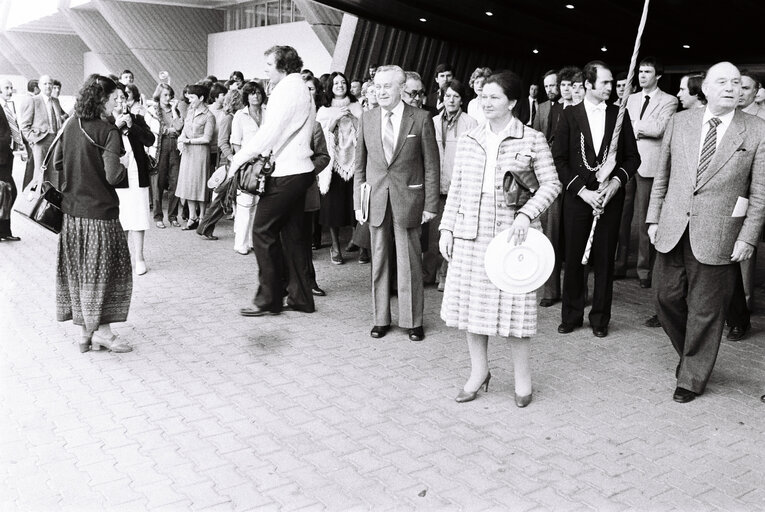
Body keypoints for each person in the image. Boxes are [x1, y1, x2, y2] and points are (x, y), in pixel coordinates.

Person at [439, 70, 561, 406]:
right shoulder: (469, 138)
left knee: (516, 310)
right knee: (471, 310)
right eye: (483, 96)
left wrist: (526, 213)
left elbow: (552, 184)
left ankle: (523, 379)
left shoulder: (532, 139)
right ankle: (479, 372)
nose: (486, 102)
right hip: (470, 234)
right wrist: (447, 229)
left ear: (512, 101)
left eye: (494, 96)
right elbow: (457, 189)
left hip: (513, 236)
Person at [646, 62, 765, 403]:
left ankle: (692, 376)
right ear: (706, 89)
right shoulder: (679, 122)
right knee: (665, 297)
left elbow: (759, 193)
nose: (731, 87)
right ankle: (691, 355)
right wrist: (653, 218)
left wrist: (748, 236)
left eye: (736, 83)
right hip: (672, 227)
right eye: (722, 82)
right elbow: (663, 177)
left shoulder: (756, 130)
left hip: (719, 233)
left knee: (706, 309)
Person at [553, 60, 641, 338]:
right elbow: (560, 159)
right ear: (588, 85)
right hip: (579, 199)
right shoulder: (569, 115)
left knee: (604, 260)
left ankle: (600, 319)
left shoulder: (619, 114)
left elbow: (632, 158)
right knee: (574, 257)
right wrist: (583, 191)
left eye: (610, 82)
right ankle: (571, 315)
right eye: (604, 82)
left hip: (609, 199)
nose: (610, 87)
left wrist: (616, 183)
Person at [353, 64, 440, 342]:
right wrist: (358, 202)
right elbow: (359, 165)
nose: (381, 92)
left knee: (410, 262)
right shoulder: (367, 118)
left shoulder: (421, 118)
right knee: (378, 262)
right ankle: (380, 319)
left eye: (387, 86)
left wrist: (430, 205)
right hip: (376, 199)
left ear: (402, 88)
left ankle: (412, 321)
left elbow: (431, 166)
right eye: (377, 86)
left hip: (409, 199)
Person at [229, 45, 317, 317]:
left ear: (283, 66)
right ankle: (301, 297)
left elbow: (269, 133)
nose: (265, 69)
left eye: (269, 64)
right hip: (300, 171)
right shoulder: (301, 88)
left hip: (286, 173)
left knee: (262, 232)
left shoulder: (286, 91)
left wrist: (237, 160)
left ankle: (269, 297)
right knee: (292, 236)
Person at [53, 75, 133, 353]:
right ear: (102, 99)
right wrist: (126, 164)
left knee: (82, 274)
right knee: (106, 274)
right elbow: (113, 176)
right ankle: (105, 334)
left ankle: (86, 334)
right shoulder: (109, 131)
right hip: (101, 215)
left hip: (72, 215)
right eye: (114, 98)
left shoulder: (70, 123)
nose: (117, 103)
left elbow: (57, 161)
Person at [617, 57, 679, 287]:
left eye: (647, 72)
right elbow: (620, 127)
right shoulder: (628, 98)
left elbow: (660, 128)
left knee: (645, 220)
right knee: (621, 218)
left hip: (649, 165)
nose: (642, 75)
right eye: (640, 71)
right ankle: (619, 264)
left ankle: (645, 271)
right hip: (625, 164)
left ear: (658, 76)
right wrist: (642, 126)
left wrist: (634, 125)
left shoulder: (669, 100)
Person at [427, 79, 477, 290]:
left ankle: (445, 275)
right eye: (448, 96)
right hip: (437, 185)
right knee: (433, 232)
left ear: (462, 100)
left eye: (456, 96)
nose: (451, 100)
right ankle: (429, 273)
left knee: (453, 233)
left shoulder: (471, 123)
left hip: (458, 186)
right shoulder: (434, 121)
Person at [316, 71, 363, 265]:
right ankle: (335, 247)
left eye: (343, 82)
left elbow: (365, 131)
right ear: (330, 87)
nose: (340, 85)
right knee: (333, 207)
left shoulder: (357, 106)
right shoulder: (324, 110)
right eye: (336, 83)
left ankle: (361, 244)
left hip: (354, 161)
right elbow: (320, 135)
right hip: (333, 164)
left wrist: (353, 119)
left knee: (356, 205)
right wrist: (335, 121)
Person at [112, 83, 155, 275]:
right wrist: (117, 127)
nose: (121, 101)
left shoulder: (137, 118)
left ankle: (139, 257)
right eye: (117, 98)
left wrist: (132, 126)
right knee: (121, 217)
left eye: (124, 97)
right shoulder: (105, 121)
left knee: (138, 216)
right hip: (117, 175)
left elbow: (150, 140)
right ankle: (122, 258)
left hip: (137, 173)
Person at [196, 88, 243, 240]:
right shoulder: (228, 118)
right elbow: (223, 142)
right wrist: (232, 158)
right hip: (229, 162)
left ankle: (205, 227)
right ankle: (204, 227)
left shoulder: (233, 117)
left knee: (224, 197)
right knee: (222, 198)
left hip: (231, 161)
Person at [230, 80, 267, 254]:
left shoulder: (268, 113)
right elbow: (236, 143)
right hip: (247, 165)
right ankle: (240, 243)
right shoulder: (240, 115)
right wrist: (242, 162)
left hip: (266, 164)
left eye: (258, 93)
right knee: (245, 203)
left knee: (259, 204)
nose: (255, 96)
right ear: (246, 96)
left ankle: (252, 241)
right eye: (252, 93)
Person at [303, 74, 330, 296]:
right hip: (280, 190)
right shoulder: (280, 122)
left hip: (305, 188)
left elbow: (324, 157)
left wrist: (304, 171)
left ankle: (308, 281)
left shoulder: (315, 126)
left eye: (311, 89)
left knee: (304, 238)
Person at [176, 83, 214, 230]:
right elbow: (184, 129)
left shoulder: (208, 116)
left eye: (192, 97)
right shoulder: (190, 111)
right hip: (188, 152)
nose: (189, 100)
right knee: (188, 184)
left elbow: (207, 138)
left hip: (200, 152)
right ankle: (192, 217)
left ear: (201, 98)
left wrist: (189, 141)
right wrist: (181, 139)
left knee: (200, 185)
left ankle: (202, 217)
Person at [146, 83, 183, 228]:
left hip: (174, 147)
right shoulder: (152, 111)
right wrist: (168, 130)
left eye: (169, 95)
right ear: (159, 96)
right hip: (159, 148)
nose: (167, 98)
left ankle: (173, 216)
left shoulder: (176, 111)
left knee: (175, 182)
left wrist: (173, 110)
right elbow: (151, 130)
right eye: (164, 95)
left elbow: (179, 128)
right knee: (158, 183)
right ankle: (158, 216)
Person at [19, 75, 65, 188]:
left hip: (56, 140)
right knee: (40, 174)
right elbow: (24, 125)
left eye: (50, 84)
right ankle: (38, 200)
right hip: (41, 141)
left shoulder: (56, 101)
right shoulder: (34, 101)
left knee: (55, 172)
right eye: (45, 84)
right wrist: (33, 140)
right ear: (39, 86)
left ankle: (53, 202)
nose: (48, 86)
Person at [0, 80, 26, 241]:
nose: (10, 90)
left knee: (6, 193)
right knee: (8, 192)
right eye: (6, 88)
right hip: (1, 156)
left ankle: (5, 231)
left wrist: (20, 147)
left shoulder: (10, 107)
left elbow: (14, 128)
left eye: (11, 87)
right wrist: (6, 140)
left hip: (7, 156)